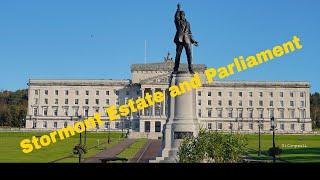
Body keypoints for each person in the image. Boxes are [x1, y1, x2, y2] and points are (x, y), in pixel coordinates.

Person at [173, 3, 199, 74]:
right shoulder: (178, 22)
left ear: (184, 15)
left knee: (189, 55)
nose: (182, 16)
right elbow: (175, 17)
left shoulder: (188, 23)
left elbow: (189, 33)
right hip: (180, 39)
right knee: (178, 55)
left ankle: (190, 68)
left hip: (187, 40)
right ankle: (175, 69)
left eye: (183, 15)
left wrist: (193, 41)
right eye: (181, 15)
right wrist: (178, 9)